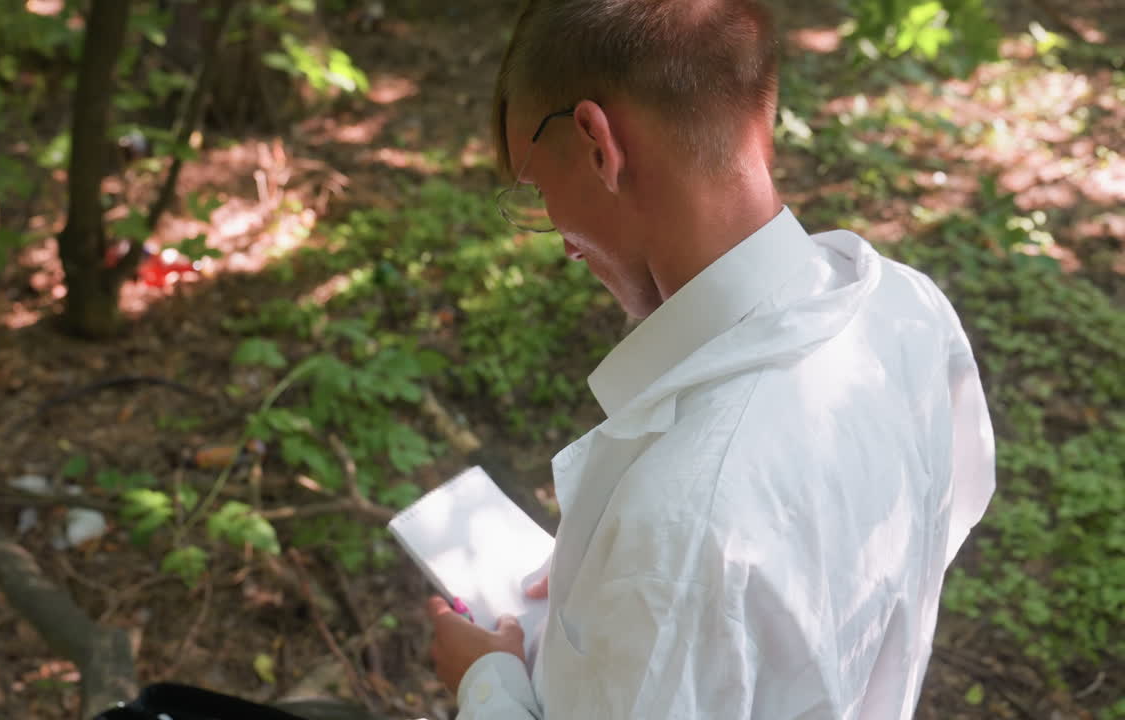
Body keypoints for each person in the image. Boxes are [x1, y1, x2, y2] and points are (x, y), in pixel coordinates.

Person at [425, 0, 996, 718]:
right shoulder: (911, 311)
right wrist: (607, 582)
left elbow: (695, 553)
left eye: (539, 192)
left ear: (599, 144)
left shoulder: (685, 520)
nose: (564, 242)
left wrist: (489, 686)